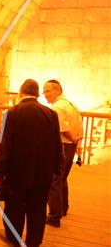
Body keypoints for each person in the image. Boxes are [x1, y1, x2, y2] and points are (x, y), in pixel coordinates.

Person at [0, 79, 63, 247]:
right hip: (42, 172)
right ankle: (33, 243)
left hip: (17, 171)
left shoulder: (12, 113)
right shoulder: (51, 114)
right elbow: (57, 144)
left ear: (21, 92)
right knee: (38, 207)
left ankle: (14, 239)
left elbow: (4, 144)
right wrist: (57, 168)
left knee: (14, 206)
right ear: (37, 94)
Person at [43, 79, 83, 227]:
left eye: (48, 90)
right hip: (70, 147)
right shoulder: (72, 105)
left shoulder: (57, 107)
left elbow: (61, 128)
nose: (45, 94)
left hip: (63, 147)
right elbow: (79, 125)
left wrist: (72, 139)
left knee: (54, 180)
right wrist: (77, 142)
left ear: (58, 90)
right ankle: (63, 208)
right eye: (44, 91)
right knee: (62, 178)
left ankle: (54, 217)